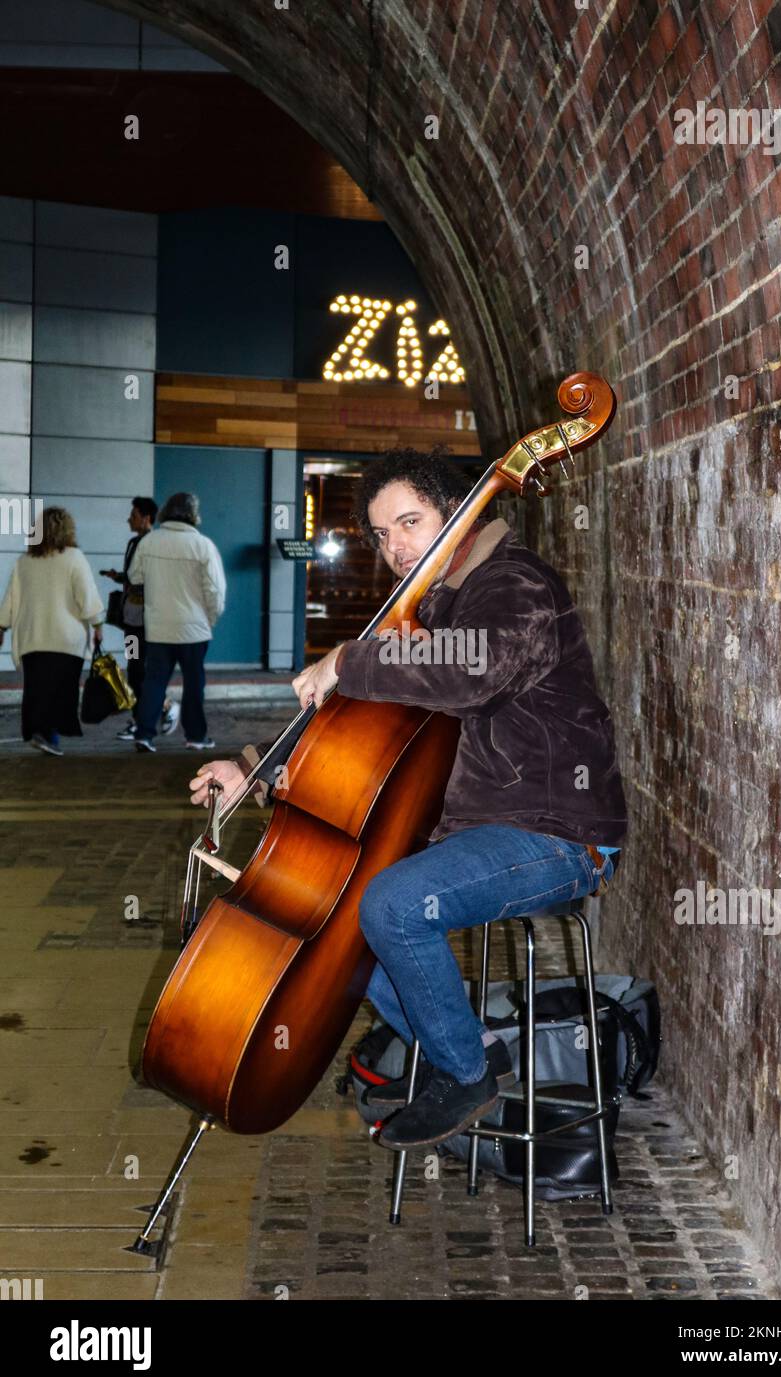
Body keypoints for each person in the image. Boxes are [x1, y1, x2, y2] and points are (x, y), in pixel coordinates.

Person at [188, 447, 627, 1150]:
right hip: (479, 827)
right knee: (337, 922)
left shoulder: (512, 585)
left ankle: (464, 1070)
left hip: (560, 833)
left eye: (410, 522)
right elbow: (360, 738)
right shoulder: (435, 606)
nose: (395, 547)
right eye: (381, 533)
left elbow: (469, 676)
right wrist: (258, 770)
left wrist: (348, 660)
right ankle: (467, 1045)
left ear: (457, 512)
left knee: (390, 905)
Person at [0, 506, 104, 756]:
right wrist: (97, 623)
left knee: (36, 688)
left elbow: (11, 599)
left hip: (32, 637)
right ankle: (50, 735)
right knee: (61, 690)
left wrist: (2, 625)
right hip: (66, 639)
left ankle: (43, 733)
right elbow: (86, 594)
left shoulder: (24, 562)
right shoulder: (74, 557)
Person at [127, 491, 226, 754]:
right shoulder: (203, 545)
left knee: (154, 682)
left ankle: (144, 734)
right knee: (194, 684)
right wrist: (211, 620)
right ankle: (195, 736)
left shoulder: (149, 543)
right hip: (194, 629)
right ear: (193, 514)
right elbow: (215, 590)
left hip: (159, 627)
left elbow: (134, 576)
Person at [100, 496, 179, 742]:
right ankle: (144, 717)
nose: (129, 519)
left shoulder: (157, 545)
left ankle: (162, 708)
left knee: (143, 671)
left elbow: (158, 581)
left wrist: (137, 589)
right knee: (134, 669)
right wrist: (119, 578)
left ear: (146, 518)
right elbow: (135, 577)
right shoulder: (134, 543)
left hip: (150, 623)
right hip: (132, 622)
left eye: (133, 515)